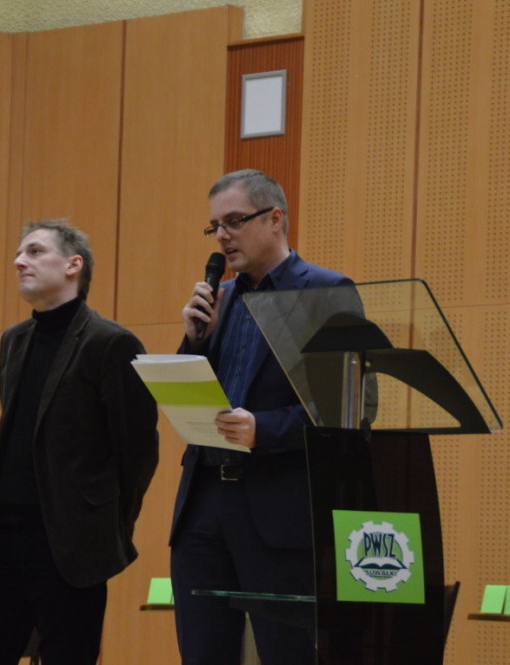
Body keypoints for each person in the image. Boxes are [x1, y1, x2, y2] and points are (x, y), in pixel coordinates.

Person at [170, 169, 353, 664]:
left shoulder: (325, 292)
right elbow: (192, 397)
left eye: (234, 221)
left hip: (277, 509)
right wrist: (194, 342)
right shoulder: (220, 299)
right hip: (203, 506)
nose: (222, 236)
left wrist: (263, 430)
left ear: (275, 219)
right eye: (215, 226)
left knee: (285, 654)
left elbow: (351, 408)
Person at [0, 219, 159, 665]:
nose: (19, 261)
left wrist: (106, 526)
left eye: (34, 251)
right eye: (18, 253)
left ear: (73, 265)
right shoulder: (13, 340)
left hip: (69, 543)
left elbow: (138, 452)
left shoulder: (111, 342)